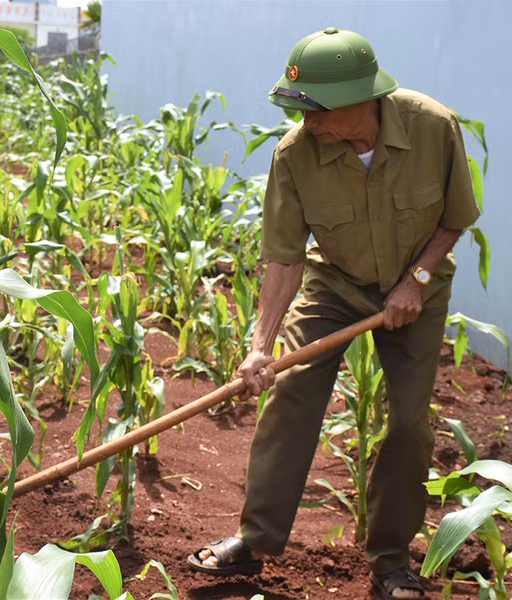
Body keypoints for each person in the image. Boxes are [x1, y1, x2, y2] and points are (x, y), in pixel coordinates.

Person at [186, 27, 480, 599]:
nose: (305, 121)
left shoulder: (432, 127)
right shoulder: (295, 155)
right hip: (335, 284)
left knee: (407, 422)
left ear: (357, 99)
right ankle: (256, 540)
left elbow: (456, 216)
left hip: (415, 287)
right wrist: (258, 346)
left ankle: (392, 561)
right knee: (290, 390)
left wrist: (415, 280)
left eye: (313, 109)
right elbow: (283, 258)